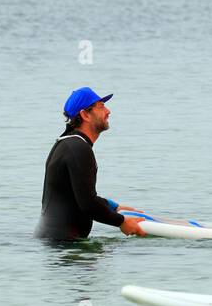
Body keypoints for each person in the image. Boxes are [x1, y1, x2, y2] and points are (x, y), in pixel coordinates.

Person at [34, 87, 147, 240]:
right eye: (101, 107)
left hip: (56, 245)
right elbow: (87, 204)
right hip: (64, 248)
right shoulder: (78, 148)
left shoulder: (68, 144)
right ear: (85, 114)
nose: (108, 111)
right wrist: (121, 222)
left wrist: (114, 207)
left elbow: (79, 195)